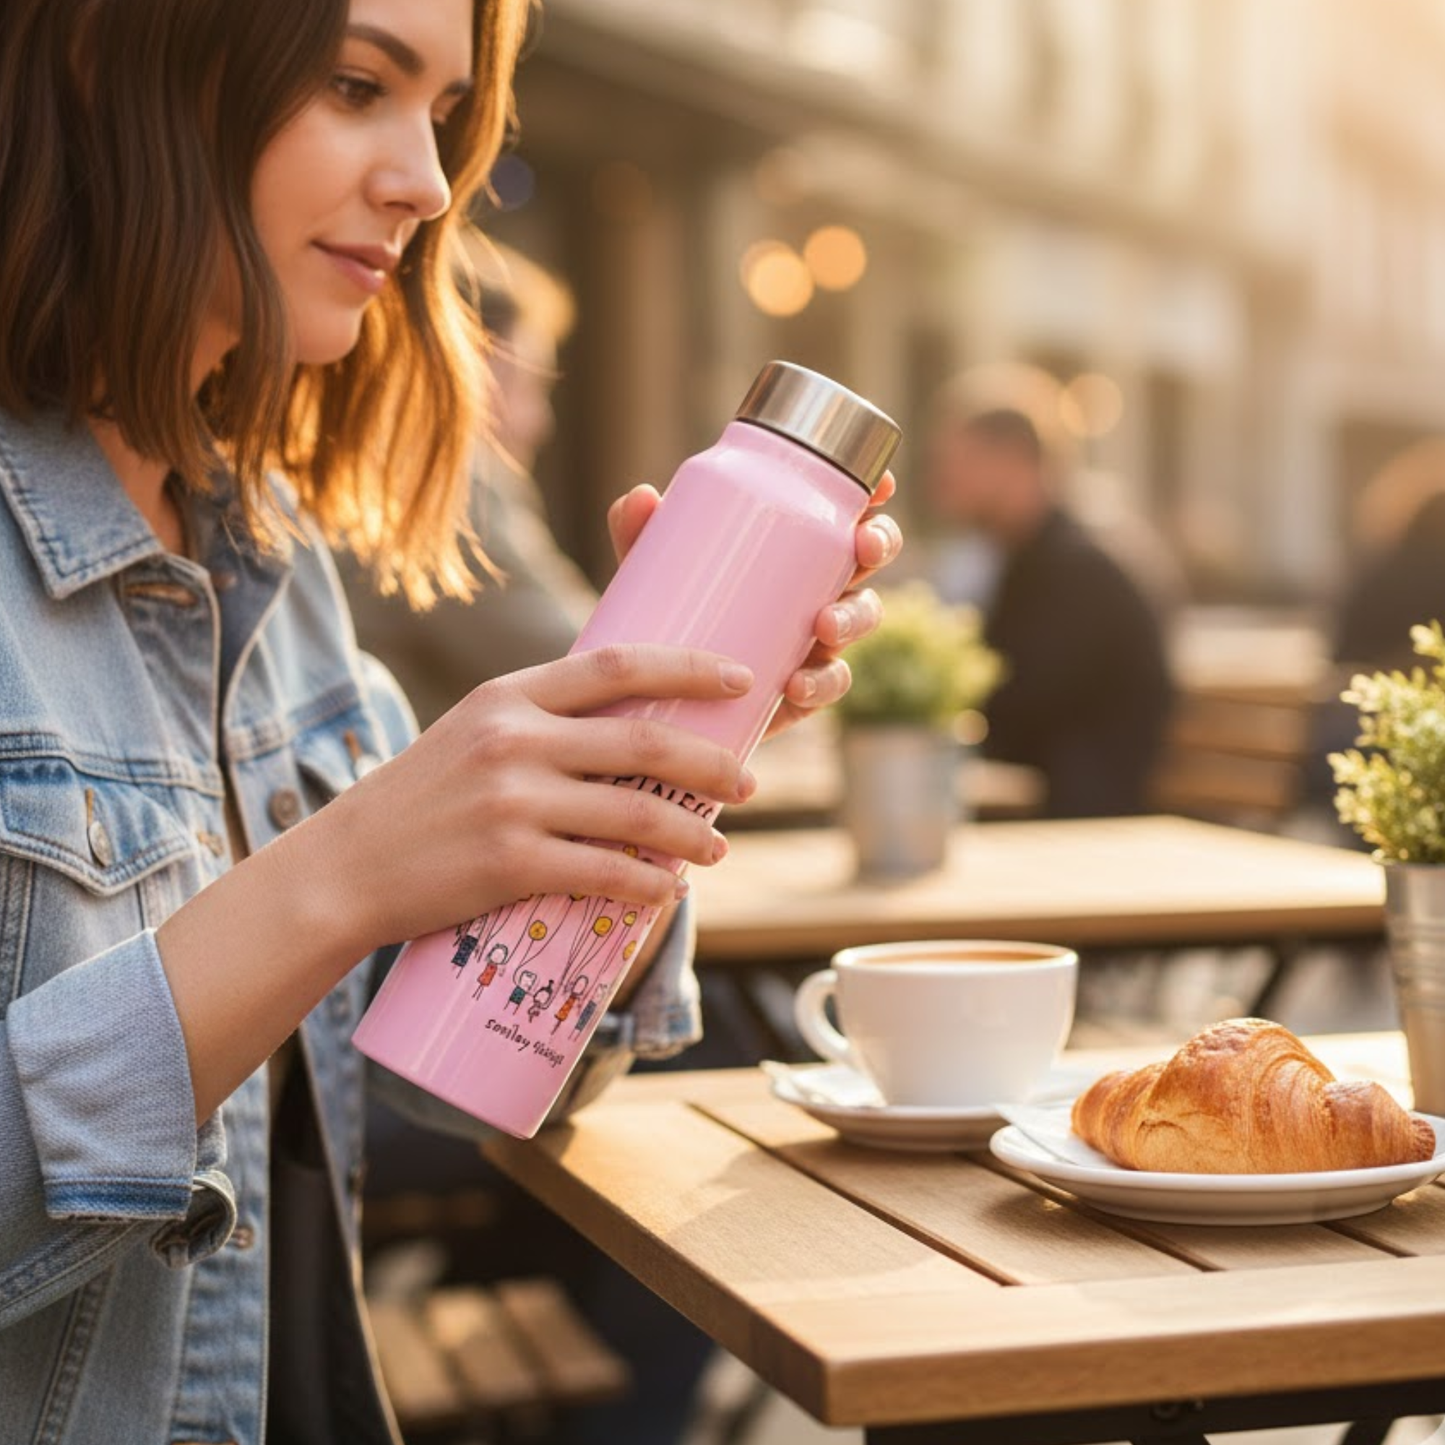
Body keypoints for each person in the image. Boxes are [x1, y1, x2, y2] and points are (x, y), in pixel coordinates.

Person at [0, 4, 901, 1443]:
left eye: (442, 115)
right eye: (358, 84)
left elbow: (450, 1082)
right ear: (117, 60)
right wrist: (342, 873)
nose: (428, 183)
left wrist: (643, 791)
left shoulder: (269, 559)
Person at [926, 380, 1172, 818]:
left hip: (1078, 819)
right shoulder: (1030, 558)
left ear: (1016, 459)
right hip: (1034, 803)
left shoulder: (1081, 569)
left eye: (960, 462)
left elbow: (1013, 708)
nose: (943, 482)